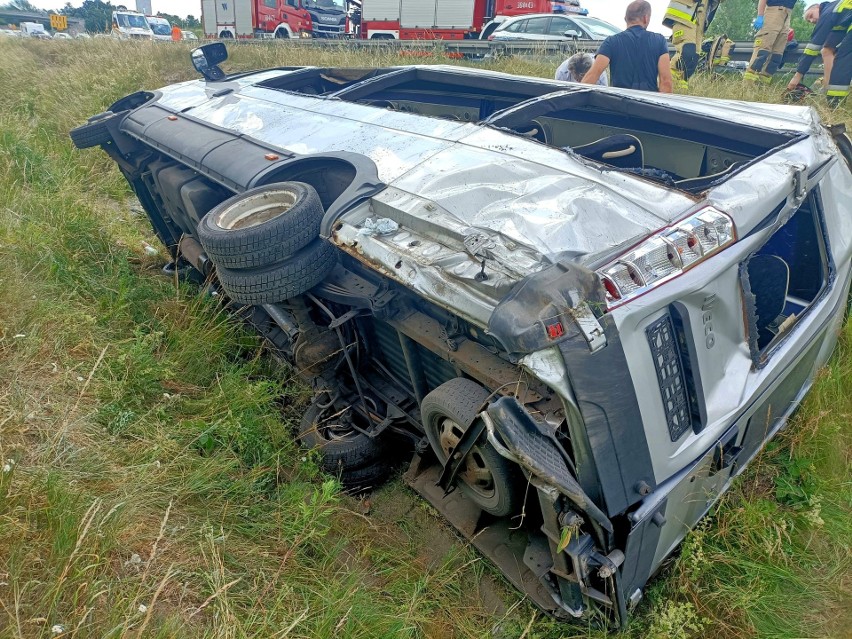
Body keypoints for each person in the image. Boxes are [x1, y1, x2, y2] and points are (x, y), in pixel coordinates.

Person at [581, 1, 673, 92]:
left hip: (619, 104)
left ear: (625, 18)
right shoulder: (660, 41)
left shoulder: (611, 42)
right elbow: (666, 82)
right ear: (646, 18)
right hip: (649, 104)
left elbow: (593, 75)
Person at [664, 0, 732, 87]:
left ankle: (681, 87)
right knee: (687, 53)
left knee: (693, 58)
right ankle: (668, 84)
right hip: (684, 16)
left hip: (699, 22)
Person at [787, 2, 851, 94]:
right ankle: (827, 87)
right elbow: (828, 48)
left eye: (810, 15)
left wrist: (796, 77)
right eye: (809, 21)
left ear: (817, 7)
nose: (812, 21)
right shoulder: (839, 17)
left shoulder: (828, 12)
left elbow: (812, 48)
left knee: (843, 58)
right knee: (827, 50)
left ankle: (834, 101)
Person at [744, 0, 797, 82]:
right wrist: (760, 15)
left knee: (776, 56)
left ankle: (763, 86)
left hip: (787, 15)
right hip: (773, 12)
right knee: (762, 51)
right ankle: (748, 85)